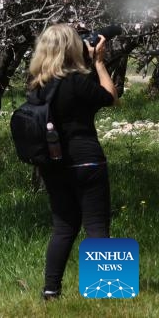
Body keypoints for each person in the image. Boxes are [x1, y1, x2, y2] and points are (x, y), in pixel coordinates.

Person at [28, 23, 118, 301]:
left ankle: (51, 290)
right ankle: (105, 291)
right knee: (96, 226)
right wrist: (99, 63)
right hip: (86, 162)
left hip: (53, 165)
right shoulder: (77, 82)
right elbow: (110, 97)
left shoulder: (37, 88)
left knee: (63, 227)